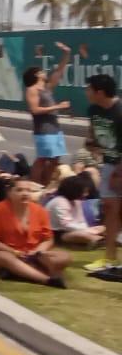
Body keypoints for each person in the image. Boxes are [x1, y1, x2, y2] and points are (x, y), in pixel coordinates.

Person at [0, 177, 71, 288]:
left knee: (64, 256)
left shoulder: (40, 211)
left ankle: (19, 273)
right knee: (3, 257)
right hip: (5, 254)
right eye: (19, 190)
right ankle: (47, 280)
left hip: (33, 255)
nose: (25, 193)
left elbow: (48, 239)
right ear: (9, 193)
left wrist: (37, 251)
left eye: (28, 190)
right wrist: (14, 252)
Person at [83, 74, 122, 278]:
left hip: (119, 166)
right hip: (108, 163)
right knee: (109, 209)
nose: (86, 92)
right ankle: (110, 257)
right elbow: (92, 133)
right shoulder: (93, 110)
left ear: (99, 92)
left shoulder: (119, 110)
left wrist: (119, 172)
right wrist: (90, 142)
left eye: (89, 89)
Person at [24, 42, 73, 186]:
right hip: (43, 130)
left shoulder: (46, 88)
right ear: (36, 75)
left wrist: (67, 53)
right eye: (41, 71)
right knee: (42, 159)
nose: (44, 72)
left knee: (55, 158)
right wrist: (58, 106)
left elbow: (59, 71)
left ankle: (45, 184)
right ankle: (35, 185)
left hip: (55, 129)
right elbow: (35, 110)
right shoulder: (32, 89)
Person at [45, 175, 104, 249]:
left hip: (73, 230)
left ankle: (98, 240)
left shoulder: (76, 202)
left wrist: (90, 229)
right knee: (79, 235)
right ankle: (100, 240)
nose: (86, 194)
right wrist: (88, 230)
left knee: (102, 228)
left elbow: (81, 221)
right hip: (58, 233)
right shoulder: (59, 202)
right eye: (84, 191)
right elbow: (66, 225)